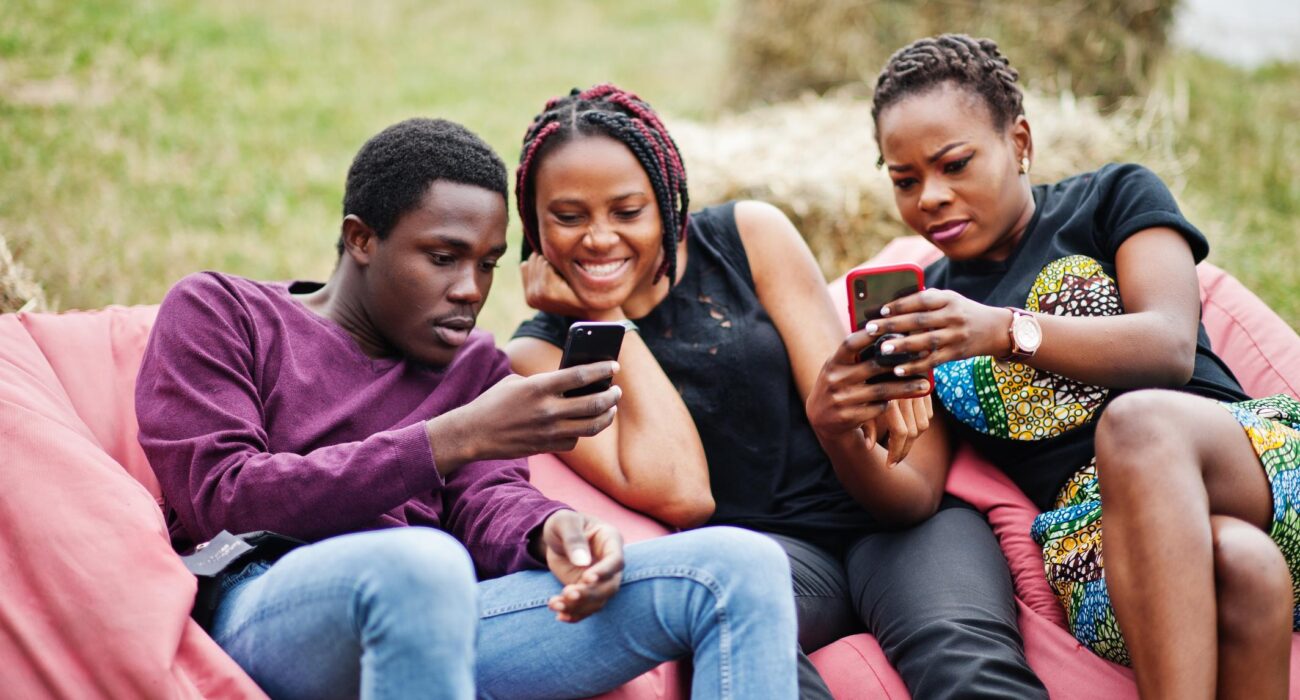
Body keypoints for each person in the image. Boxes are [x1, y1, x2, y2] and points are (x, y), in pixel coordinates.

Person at [135, 117, 799, 700]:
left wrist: (554, 532)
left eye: (487, 265)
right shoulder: (224, 312)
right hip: (271, 606)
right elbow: (221, 496)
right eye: (443, 258)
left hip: (449, 613)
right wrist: (451, 437)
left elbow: (488, 500)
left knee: (741, 565)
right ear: (361, 239)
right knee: (422, 563)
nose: (469, 290)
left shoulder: (474, 365)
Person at [506, 84, 1047, 698]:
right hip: (772, 560)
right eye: (569, 218)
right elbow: (685, 495)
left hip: (888, 523)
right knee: (744, 645)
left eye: (627, 212)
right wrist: (609, 322)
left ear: (666, 201)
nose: (599, 239)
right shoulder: (540, 354)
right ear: (533, 222)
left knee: (967, 663)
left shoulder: (748, 234)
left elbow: (853, 412)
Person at [849, 33, 1299, 699]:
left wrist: (1005, 331)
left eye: (955, 164)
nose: (932, 197)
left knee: (1138, 425)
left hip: (1245, 460)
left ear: (1020, 142)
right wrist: (838, 427)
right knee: (1244, 567)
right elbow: (913, 495)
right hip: (1104, 548)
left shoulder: (1110, 198)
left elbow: (1170, 346)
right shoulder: (928, 312)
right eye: (905, 180)